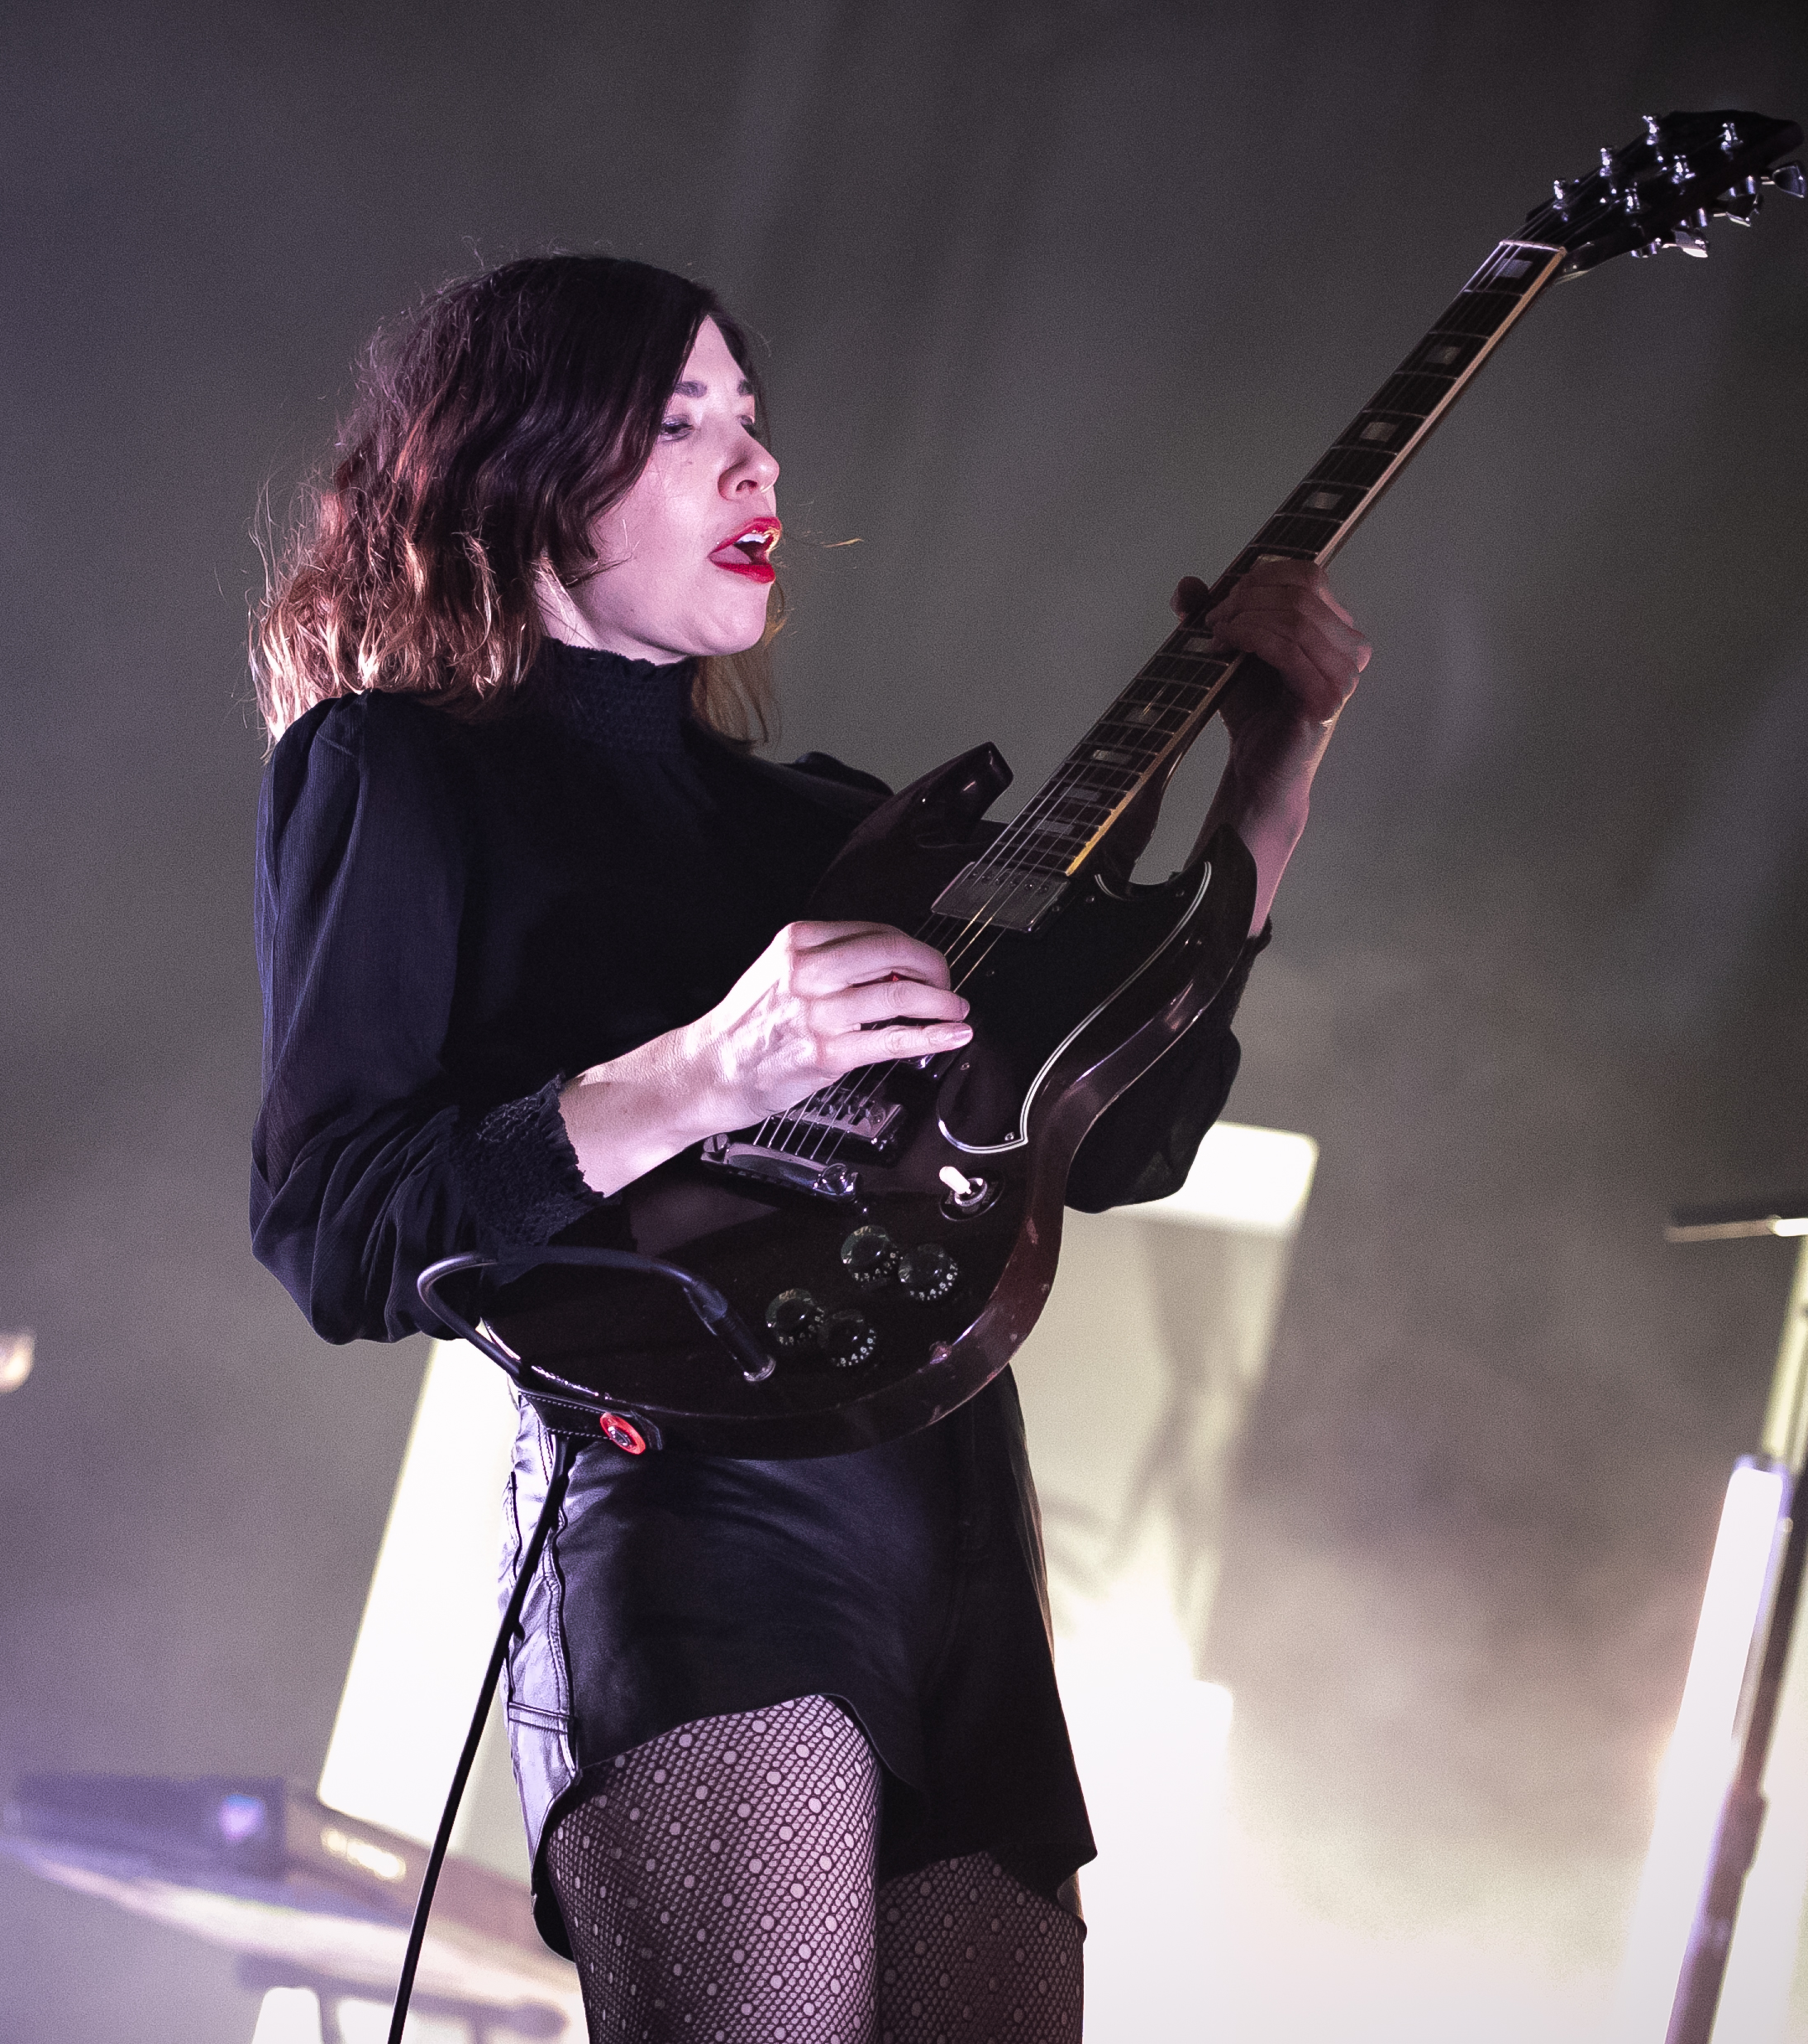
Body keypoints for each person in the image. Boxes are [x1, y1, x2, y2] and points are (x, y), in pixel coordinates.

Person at [246, 256, 1367, 2043]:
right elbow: (336, 1226)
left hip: (967, 1545)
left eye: (755, 426)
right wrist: (703, 1071)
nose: (755, 472)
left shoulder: (838, 827)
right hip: (696, 1527)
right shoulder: (400, 773)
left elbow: (1127, 1133)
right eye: (684, 425)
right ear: (525, 464)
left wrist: (1270, 778)